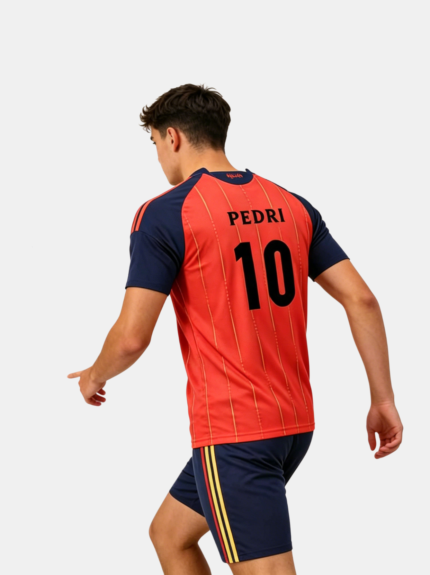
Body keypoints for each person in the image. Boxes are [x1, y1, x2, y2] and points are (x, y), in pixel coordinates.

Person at [68, 84, 403, 575]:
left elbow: (132, 337)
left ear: (172, 137)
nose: (158, 157)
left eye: (155, 144)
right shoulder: (291, 204)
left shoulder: (165, 213)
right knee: (170, 534)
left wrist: (94, 376)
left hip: (235, 434)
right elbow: (363, 299)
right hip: (293, 427)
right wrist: (382, 398)